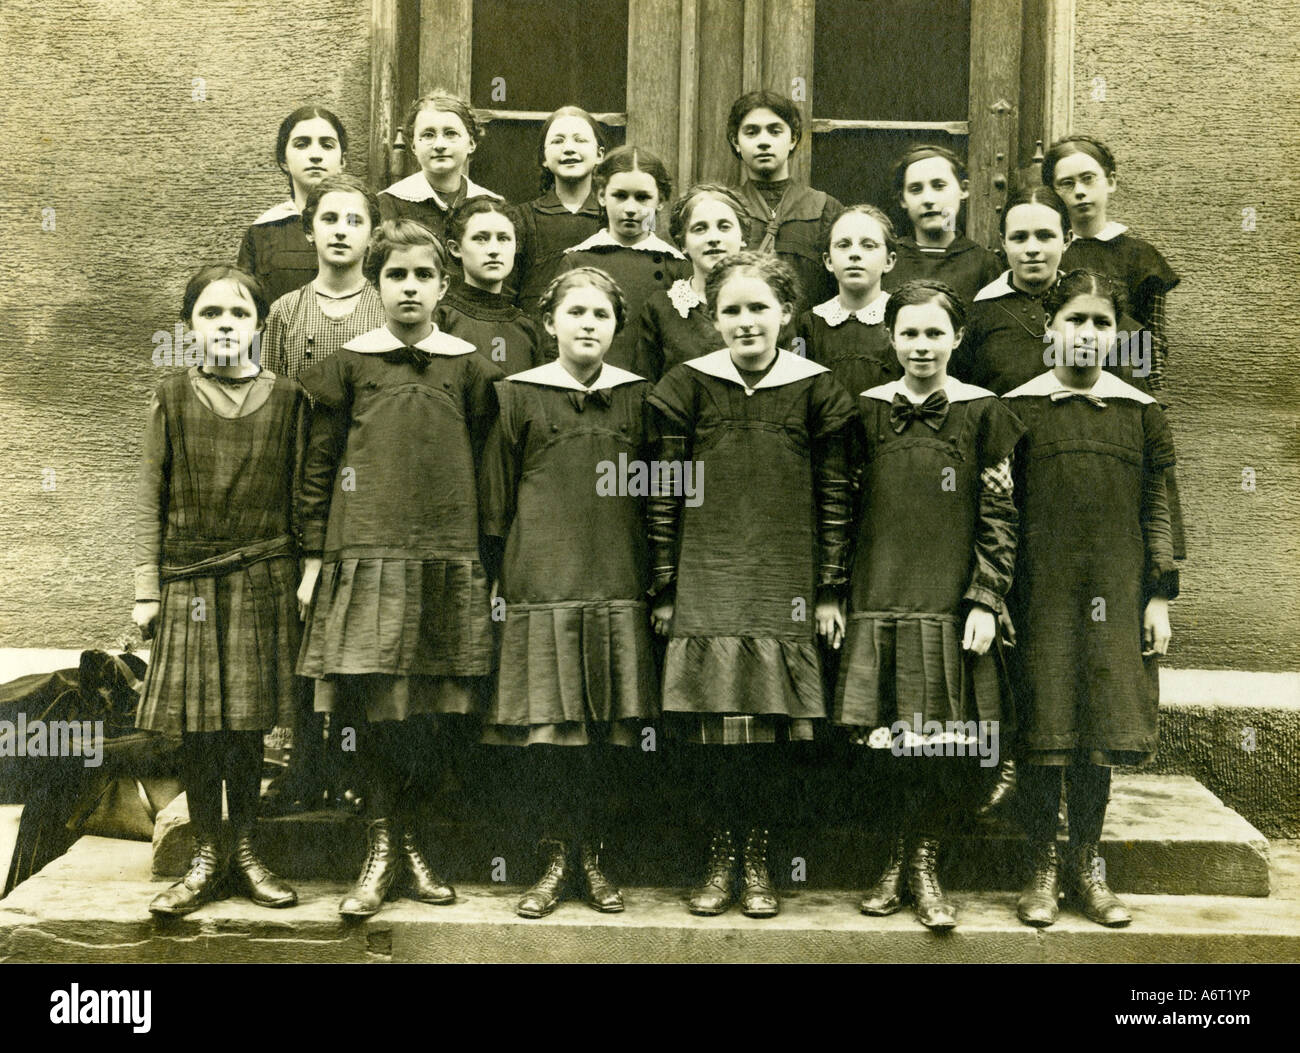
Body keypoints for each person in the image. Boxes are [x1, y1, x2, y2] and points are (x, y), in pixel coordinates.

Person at [296, 219, 502, 918]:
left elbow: (487, 464)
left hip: (445, 555)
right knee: (375, 704)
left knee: (431, 710)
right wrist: (314, 558)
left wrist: (487, 558)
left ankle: (412, 841)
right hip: (367, 552)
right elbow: (320, 470)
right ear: (377, 284)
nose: (410, 287)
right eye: (396, 276)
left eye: (423, 276)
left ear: (445, 286)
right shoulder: (351, 365)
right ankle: (379, 843)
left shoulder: (470, 367)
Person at [647, 251, 856, 918]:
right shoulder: (687, 385)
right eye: (731, 310)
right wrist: (665, 585)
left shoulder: (817, 389)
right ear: (712, 317)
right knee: (714, 729)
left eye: (759, 307)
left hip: (783, 577)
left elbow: (834, 494)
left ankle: (759, 855)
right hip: (708, 575)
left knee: (769, 730)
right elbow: (663, 494)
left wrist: (827, 588)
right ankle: (718, 853)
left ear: (786, 314)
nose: (745, 321)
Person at [834, 280, 1022, 930]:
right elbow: (842, 507)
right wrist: (835, 592)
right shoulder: (862, 411)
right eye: (909, 332)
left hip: (948, 600)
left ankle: (925, 859)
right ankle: (891, 856)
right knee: (887, 739)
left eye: (934, 332)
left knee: (941, 743)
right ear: (890, 338)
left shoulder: (984, 412)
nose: (921, 345)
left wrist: (985, 598)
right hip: (878, 594)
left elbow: (1000, 514)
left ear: (958, 338)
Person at [1002, 269, 1179, 929]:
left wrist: (1157, 597)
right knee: (1046, 723)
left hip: (1116, 587)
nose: (1087, 334)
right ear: (1050, 329)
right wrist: (997, 596)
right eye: (1074, 320)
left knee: (1101, 725)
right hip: (1040, 591)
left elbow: (1159, 507)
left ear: (1117, 336)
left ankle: (1087, 862)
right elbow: (996, 510)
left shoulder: (1141, 412)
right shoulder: (1016, 407)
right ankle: (1042, 866)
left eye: (1101, 323)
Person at [480, 267, 658, 918]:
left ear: (616, 327)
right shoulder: (515, 396)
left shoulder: (641, 398)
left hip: (616, 577)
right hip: (541, 580)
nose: (588, 324)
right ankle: (558, 857)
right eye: (575, 312)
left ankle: (596, 855)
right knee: (552, 731)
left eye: (601, 314)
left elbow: (659, 491)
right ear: (550, 323)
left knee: (609, 728)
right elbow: (495, 501)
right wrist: (498, 577)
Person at [134, 265, 303, 916]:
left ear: (260, 324)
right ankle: (206, 854)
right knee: (200, 728)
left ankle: (247, 851)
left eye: (238, 313)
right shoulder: (171, 397)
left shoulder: (289, 400)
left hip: (263, 576)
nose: (225, 325)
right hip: (189, 578)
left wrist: (303, 575)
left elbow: (301, 496)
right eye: (210, 313)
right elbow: (148, 496)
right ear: (189, 327)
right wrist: (146, 589)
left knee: (248, 725)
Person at [257, 172, 385, 815]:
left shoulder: (386, 305)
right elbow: (274, 401)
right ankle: (300, 764)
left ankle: (356, 767)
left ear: (371, 234)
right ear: (309, 230)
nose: (341, 231)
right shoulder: (285, 312)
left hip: (368, 489)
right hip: (302, 482)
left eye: (354, 220)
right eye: (329, 220)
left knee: (360, 622)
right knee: (303, 622)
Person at [561, 145, 688, 370]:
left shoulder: (675, 265)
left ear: (660, 201)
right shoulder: (578, 260)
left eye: (642, 198)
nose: (630, 208)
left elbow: (684, 342)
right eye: (620, 196)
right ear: (601, 196)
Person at [726, 90, 843, 318]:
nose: (763, 141)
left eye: (774, 131)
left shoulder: (825, 208)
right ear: (736, 142)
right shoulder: (724, 208)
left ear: (793, 139)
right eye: (751, 132)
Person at [630, 183, 746, 382]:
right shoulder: (661, 308)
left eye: (724, 227)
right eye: (700, 229)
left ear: (742, 236)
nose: (713, 238)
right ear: (683, 243)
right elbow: (645, 386)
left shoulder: (767, 305)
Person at [238, 106, 348, 304]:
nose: (315, 155)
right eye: (302, 144)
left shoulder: (365, 226)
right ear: (283, 161)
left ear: (343, 161)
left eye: (327, 145)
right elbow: (247, 309)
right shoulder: (263, 230)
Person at [510, 106, 607, 320]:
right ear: (544, 158)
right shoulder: (521, 218)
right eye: (558, 141)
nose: (569, 149)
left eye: (580, 140)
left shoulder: (613, 218)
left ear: (600, 154)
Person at [796, 204, 901, 397]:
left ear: (889, 261)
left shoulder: (901, 320)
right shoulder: (809, 325)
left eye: (868, 245)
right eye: (843, 245)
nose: (854, 254)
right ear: (828, 261)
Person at [435, 196, 543, 376]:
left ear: (516, 246)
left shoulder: (527, 329)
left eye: (503, 238)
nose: (494, 250)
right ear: (455, 248)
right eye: (481, 238)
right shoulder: (442, 319)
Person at [883, 145, 1001, 305]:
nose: (928, 199)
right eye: (916, 189)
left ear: (963, 189)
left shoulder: (985, 265)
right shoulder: (888, 261)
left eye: (939, 186)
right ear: (902, 199)